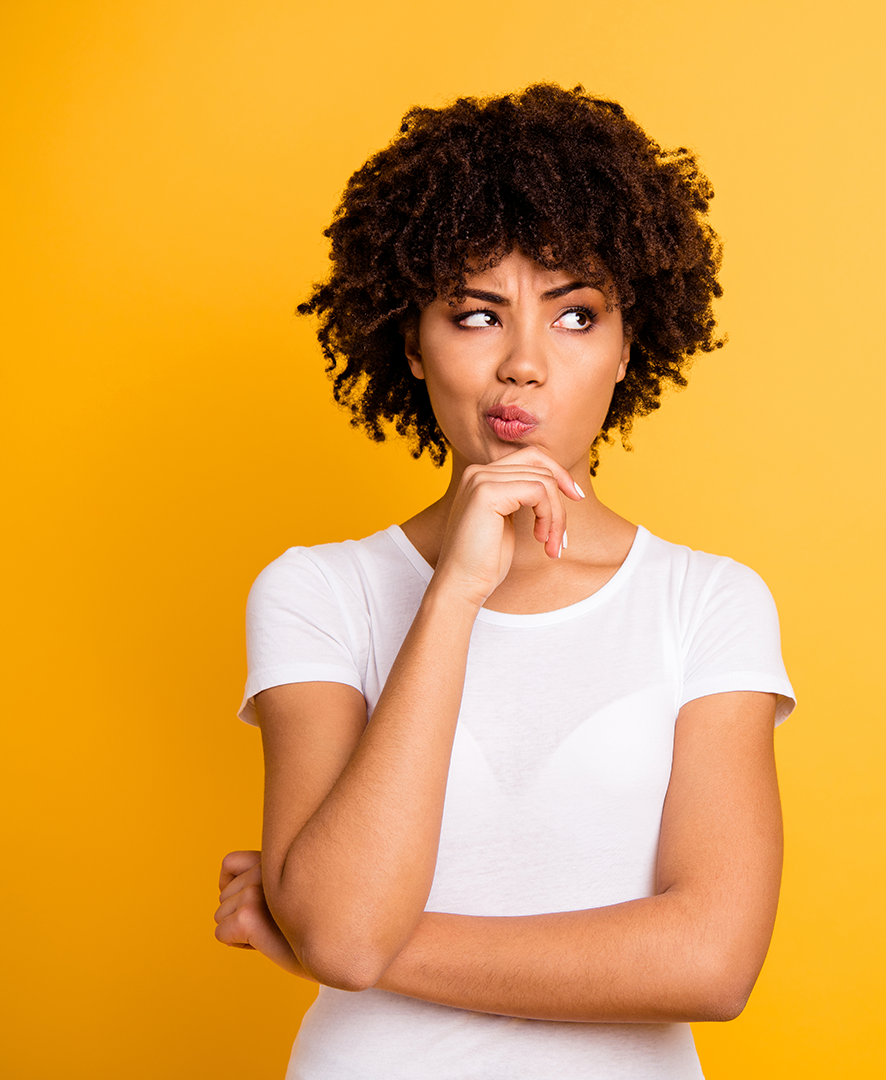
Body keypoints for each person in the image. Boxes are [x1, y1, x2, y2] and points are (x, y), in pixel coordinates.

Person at [213, 83, 795, 1079]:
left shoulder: (708, 602)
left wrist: (337, 939)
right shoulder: (316, 592)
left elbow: (712, 963)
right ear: (412, 340)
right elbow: (342, 934)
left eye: (575, 316)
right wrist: (452, 596)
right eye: (477, 315)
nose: (522, 362)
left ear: (626, 351)